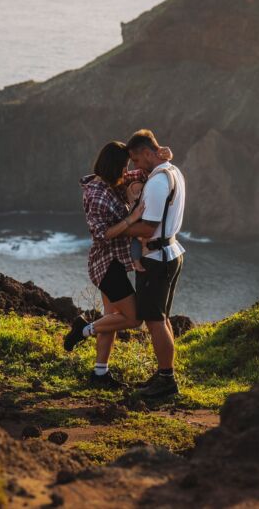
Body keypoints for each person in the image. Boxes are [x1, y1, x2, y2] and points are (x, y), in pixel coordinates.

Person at [63, 140, 171, 388]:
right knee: (134, 319)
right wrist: (131, 219)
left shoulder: (116, 181)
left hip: (116, 262)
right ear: (112, 167)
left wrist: (166, 154)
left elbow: (145, 170)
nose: (127, 171)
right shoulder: (98, 195)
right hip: (106, 265)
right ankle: (83, 330)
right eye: (123, 167)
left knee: (111, 317)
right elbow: (101, 234)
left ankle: (100, 374)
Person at [126, 128, 186, 399]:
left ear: (149, 154)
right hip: (171, 252)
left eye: (137, 161)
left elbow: (148, 228)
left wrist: (114, 230)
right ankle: (165, 372)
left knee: (153, 320)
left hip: (157, 258)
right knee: (160, 318)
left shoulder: (158, 182)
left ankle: (167, 382)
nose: (135, 167)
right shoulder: (173, 172)